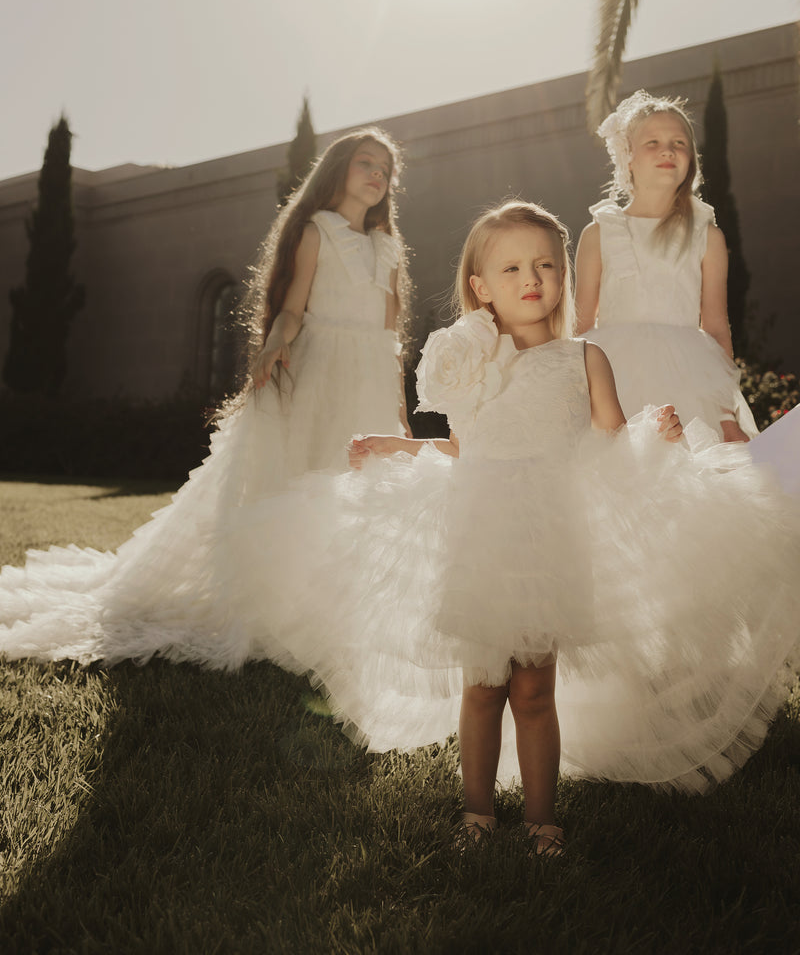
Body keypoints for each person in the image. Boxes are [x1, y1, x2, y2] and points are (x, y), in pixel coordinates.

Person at [244, 201, 800, 856]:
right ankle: (477, 815)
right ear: (480, 286)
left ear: (563, 275)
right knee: (482, 687)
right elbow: (467, 448)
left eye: (545, 264)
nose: (531, 277)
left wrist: (657, 436)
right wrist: (397, 448)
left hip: (549, 538)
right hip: (483, 535)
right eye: (511, 267)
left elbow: (610, 444)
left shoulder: (583, 360)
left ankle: (543, 819)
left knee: (534, 689)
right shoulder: (474, 364)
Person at [0, 127, 410, 668]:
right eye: (366, 162)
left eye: (386, 168)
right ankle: (281, 607)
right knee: (303, 479)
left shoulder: (389, 248)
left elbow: (389, 335)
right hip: (317, 374)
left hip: (367, 382)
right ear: (339, 169)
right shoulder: (318, 231)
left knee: (359, 491)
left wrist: (398, 407)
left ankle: (341, 610)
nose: (378, 174)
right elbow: (293, 308)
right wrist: (276, 344)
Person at [574, 89, 757, 442]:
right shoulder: (599, 233)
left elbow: (717, 328)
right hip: (615, 379)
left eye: (679, 142)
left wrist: (725, 414)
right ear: (628, 156)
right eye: (652, 142)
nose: (668, 150)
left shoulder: (708, 235)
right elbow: (579, 328)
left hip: (690, 385)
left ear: (691, 158)